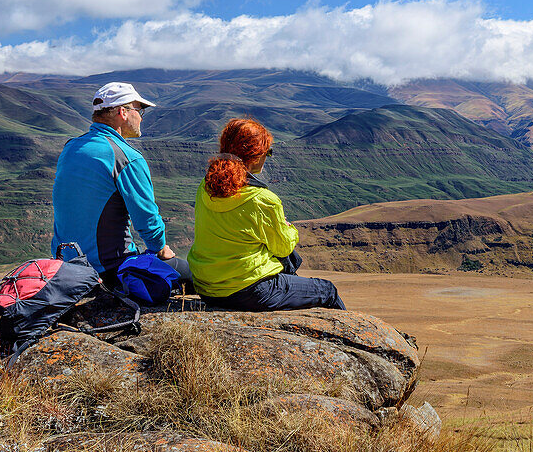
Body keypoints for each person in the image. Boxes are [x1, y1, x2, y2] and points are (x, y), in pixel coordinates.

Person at [188, 118, 346, 311]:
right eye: (267, 153)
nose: (267, 157)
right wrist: (289, 229)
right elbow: (283, 248)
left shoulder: (205, 187)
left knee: (285, 265)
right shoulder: (262, 199)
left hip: (206, 287)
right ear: (255, 156)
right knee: (327, 290)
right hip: (250, 291)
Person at [51, 81, 191, 287]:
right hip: (109, 269)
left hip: (65, 268)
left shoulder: (72, 147)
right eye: (140, 109)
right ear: (123, 112)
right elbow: (147, 219)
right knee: (195, 276)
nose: (141, 117)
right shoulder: (126, 158)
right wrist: (161, 249)